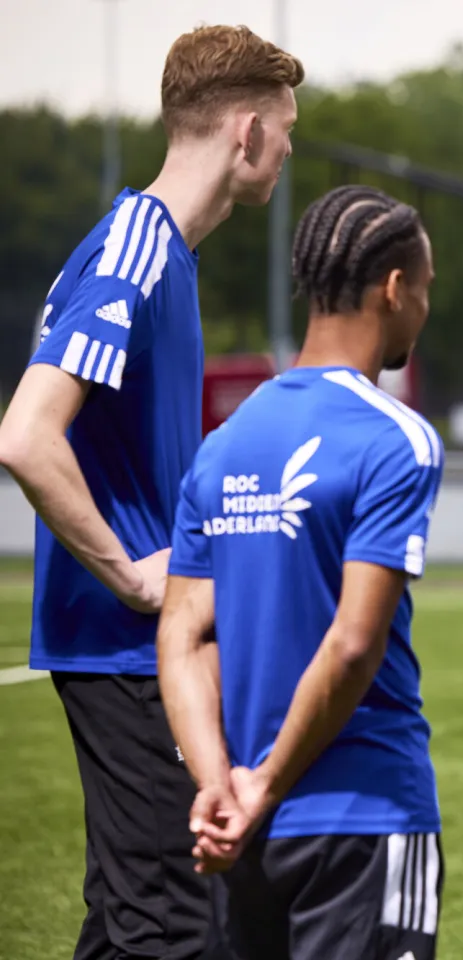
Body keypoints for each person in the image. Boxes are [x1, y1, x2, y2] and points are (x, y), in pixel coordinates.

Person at [0, 25, 302, 960]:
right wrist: (134, 576)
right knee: (172, 925)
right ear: (246, 132)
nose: (289, 149)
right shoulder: (136, 245)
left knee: (142, 919)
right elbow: (25, 434)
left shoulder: (163, 251)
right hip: (125, 650)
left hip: (148, 650)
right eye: (287, 128)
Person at [155, 185, 445, 960]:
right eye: (424, 288)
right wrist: (268, 786)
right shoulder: (396, 439)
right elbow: (355, 642)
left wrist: (221, 786)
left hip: (241, 827)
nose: (422, 307)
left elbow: (181, 634)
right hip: (364, 814)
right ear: (393, 288)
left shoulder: (226, 441)